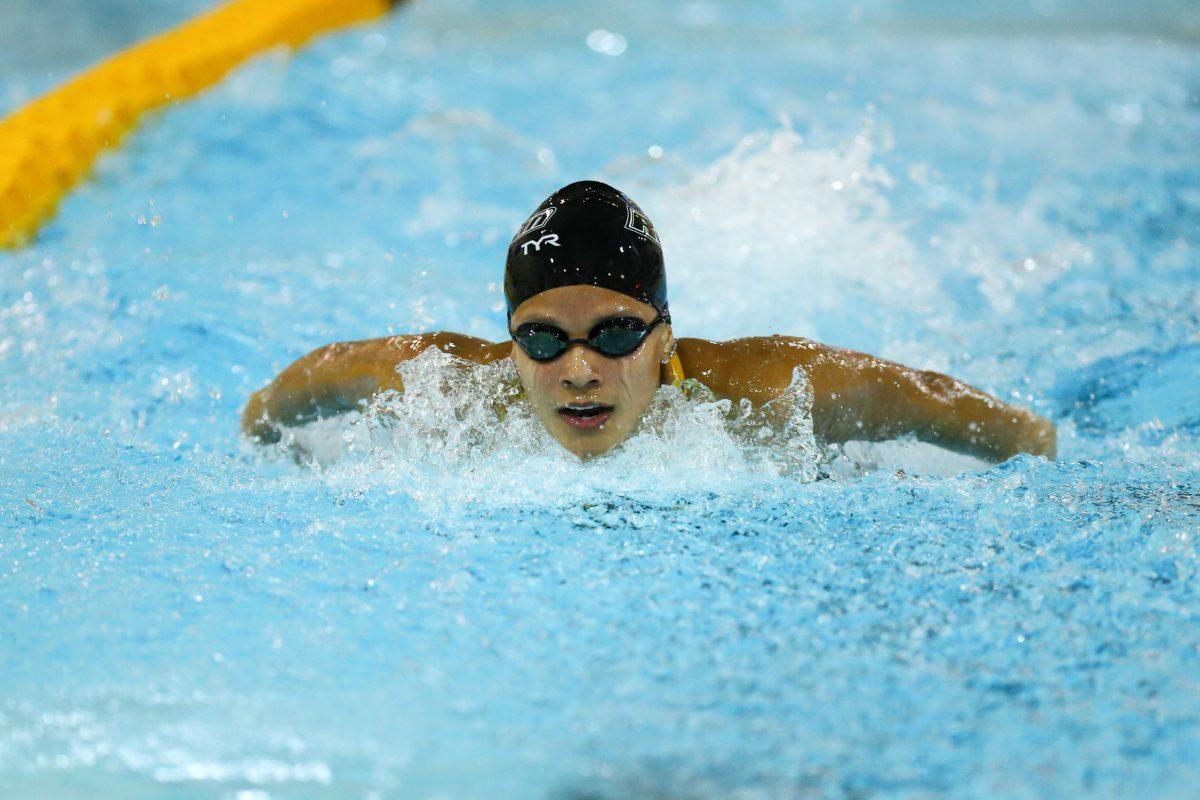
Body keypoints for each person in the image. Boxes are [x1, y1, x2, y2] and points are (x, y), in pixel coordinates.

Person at [242, 181, 1056, 462]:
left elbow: (1011, 432)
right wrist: (270, 447)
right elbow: (282, 399)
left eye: (618, 332)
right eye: (543, 339)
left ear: (665, 334)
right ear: (510, 341)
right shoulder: (451, 386)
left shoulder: (772, 391)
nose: (580, 370)